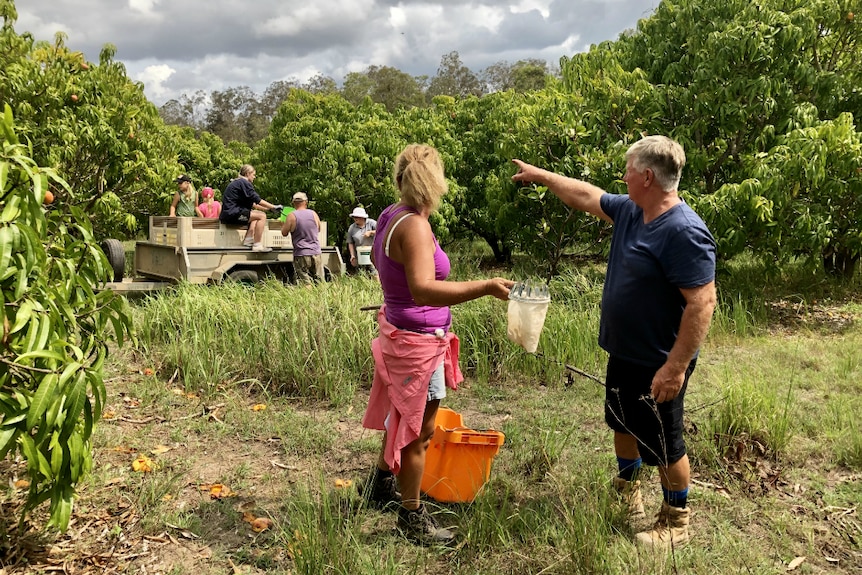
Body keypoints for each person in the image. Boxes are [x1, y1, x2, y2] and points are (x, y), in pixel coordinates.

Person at [511, 136, 716, 550]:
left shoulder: (684, 232)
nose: (621, 177)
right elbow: (586, 195)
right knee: (621, 422)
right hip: (624, 351)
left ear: (646, 176)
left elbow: (702, 303)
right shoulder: (630, 211)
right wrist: (542, 176)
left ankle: (676, 520)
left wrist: (674, 368)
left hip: (659, 359)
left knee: (663, 441)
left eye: (627, 169)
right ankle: (628, 494)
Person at [360, 144, 514, 545]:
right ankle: (410, 515)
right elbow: (424, 289)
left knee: (401, 414)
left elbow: (395, 275)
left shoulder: (391, 216)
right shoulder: (414, 225)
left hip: (403, 333)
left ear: (400, 180)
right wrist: (485, 286)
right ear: (437, 184)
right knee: (419, 432)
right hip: (417, 344)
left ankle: (379, 485)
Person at [220, 165, 280, 253]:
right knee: (262, 216)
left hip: (229, 214)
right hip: (233, 214)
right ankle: (257, 245)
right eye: (253, 174)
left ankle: (248, 239)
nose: (254, 177)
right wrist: (274, 206)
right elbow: (258, 200)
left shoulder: (237, 183)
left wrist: (268, 209)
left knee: (256, 214)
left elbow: (253, 204)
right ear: (248, 174)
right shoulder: (244, 183)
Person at [280, 192, 322, 283]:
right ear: (306, 202)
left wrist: (283, 224)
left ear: (293, 203)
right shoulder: (313, 214)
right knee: (318, 282)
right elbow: (318, 229)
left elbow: (284, 233)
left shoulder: (291, 216)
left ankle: (308, 297)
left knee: (305, 282)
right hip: (316, 252)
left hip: (301, 253)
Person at [345, 206, 377, 275]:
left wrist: (371, 232)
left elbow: (382, 231)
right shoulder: (352, 228)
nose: (355, 219)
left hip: (372, 253)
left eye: (357, 217)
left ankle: (376, 285)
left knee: (374, 272)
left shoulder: (372, 223)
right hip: (359, 255)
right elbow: (350, 243)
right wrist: (352, 255)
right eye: (354, 217)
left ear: (362, 217)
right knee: (361, 273)